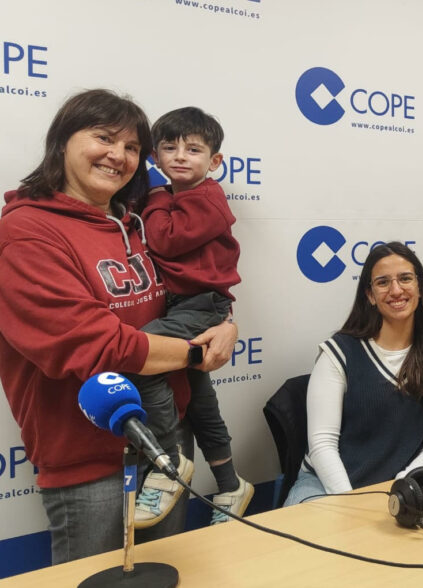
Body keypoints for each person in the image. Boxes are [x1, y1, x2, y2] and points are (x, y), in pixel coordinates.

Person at [0, 89, 237, 564]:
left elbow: (192, 287)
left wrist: (226, 321)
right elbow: (94, 345)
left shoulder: (136, 223)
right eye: (104, 138)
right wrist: (197, 352)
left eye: (131, 147)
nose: (118, 155)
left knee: (168, 571)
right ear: (63, 141)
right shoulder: (26, 231)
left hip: (169, 444)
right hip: (88, 456)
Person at [129, 106, 253, 528]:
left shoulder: (205, 198)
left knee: (141, 357)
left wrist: (156, 196)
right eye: (170, 148)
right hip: (186, 305)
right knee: (199, 399)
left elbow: (165, 239)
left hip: (200, 306)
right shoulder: (178, 196)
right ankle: (230, 484)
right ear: (155, 156)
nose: (181, 156)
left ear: (214, 161)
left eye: (194, 149)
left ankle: (169, 460)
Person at [284, 242, 423, 505]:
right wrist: (353, 502)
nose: (396, 290)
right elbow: (322, 445)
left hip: (402, 484)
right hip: (326, 484)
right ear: (370, 295)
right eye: (383, 282)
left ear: (420, 287)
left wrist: (404, 486)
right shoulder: (338, 352)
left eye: (405, 279)